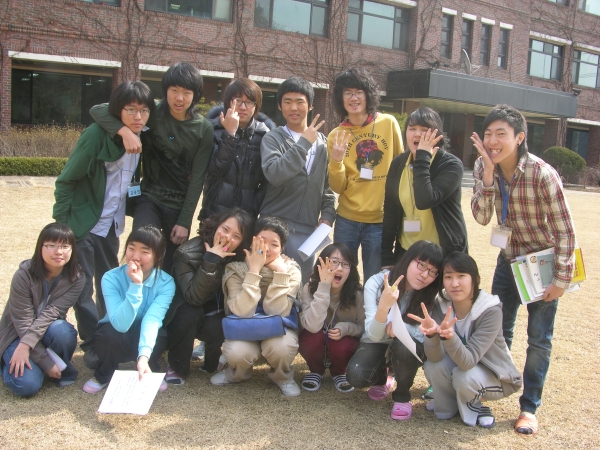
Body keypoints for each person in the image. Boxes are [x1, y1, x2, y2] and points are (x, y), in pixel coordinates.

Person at [470, 104, 577, 436]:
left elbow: (565, 231)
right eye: (488, 134)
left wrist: (561, 278)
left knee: (539, 339)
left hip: (542, 265)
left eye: (501, 134)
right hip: (508, 262)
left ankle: (529, 407)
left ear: (519, 137)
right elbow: (481, 217)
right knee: (497, 332)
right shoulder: (482, 165)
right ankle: (489, 389)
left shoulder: (542, 174)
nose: (492, 141)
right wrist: (489, 176)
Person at [53, 81, 154, 369]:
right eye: (130, 110)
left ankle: (108, 337)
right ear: (118, 111)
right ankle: (91, 344)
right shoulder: (96, 135)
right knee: (82, 286)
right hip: (84, 224)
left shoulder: (145, 132)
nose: (138, 116)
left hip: (112, 225)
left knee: (110, 283)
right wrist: (63, 225)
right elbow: (66, 180)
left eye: (144, 110)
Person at [90, 62, 214, 275]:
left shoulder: (203, 128)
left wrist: (184, 221)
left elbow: (197, 179)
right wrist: (125, 132)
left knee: (170, 267)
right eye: (174, 90)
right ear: (165, 89)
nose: (179, 98)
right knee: (141, 248)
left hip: (178, 205)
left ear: (195, 95)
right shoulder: (151, 111)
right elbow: (98, 110)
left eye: (186, 93)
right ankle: (134, 291)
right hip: (149, 197)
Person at [409, 252, 522, 428]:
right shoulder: (442, 304)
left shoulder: (490, 310)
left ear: (475, 279)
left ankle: (476, 406)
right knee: (433, 367)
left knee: (465, 377)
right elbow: (435, 358)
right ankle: (448, 406)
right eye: (448, 277)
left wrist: (450, 337)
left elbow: (468, 362)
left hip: (497, 377)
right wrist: (431, 336)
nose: (454, 284)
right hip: (462, 370)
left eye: (461, 276)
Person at [346, 240, 443, 420]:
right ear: (408, 259)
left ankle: (402, 395)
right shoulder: (377, 283)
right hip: (379, 341)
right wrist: (383, 307)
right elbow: (373, 335)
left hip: (408, 347)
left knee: (402, 347)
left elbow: (424, 336)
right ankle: (382, 378)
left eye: (432, 272)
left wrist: (401, 329)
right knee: (357, 375)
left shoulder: (433, 294)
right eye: (421, 265)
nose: (424, 275)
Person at [210, 217, 303, 397]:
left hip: (279, 329)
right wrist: (253, 271)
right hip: (244, 326)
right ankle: (235, 374)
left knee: (283, 347)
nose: (266, 248)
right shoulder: (236, 270)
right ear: (252, 241)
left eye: (274, 244)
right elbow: (241, 311)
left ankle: (282, 377)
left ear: (282, 248)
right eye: (262, 240)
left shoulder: (291, 270)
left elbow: (277, 312)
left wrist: (281, 273)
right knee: (236, 351)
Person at [328, 68, 404, 282]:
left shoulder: (388, 123)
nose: (353, 98)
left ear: (368, 95)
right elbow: (337, 187)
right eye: (347, 93)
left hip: (380, 220)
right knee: (342, 279)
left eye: (359, 92)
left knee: (375, 280)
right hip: (347, 220)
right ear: (340, 98)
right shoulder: (336, 136)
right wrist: (336, 160)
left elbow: (400, 168)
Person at [163, 208, 254, 384]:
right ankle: (177, 366)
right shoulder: (187, 253)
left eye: (236, 236)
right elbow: (193, 297)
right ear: (215, 226)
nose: (227, 238)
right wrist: (210, 261)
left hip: (214, 311)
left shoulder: (238, 257)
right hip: (184, 309)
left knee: (219, 320)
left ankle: (212, 362)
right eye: (225, 229)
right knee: (190, 313)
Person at [259, 76, 336, 283]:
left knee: (299, 289)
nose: (294, 108)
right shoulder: (273, 138)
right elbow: (275, 174)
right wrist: (303, 144)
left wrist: (327, 216)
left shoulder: (323, 144)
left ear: (310, 105)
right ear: (279, 106)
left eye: (300, 101)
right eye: (287, 101)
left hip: (307, 233)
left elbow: (327, 189)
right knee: (267, 284)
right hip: (274, 229)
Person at [82, 226, 175, 394]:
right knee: (109, 335)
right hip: (117, 330)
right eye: (131, 248)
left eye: (145, 252)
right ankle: (104, 374)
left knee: (160, 335)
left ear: (158, 256)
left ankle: (149, 368)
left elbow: (152, 320)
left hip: (145, 331)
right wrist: (135, 285)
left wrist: (143, 357)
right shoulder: (111, 277)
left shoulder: (166, 283)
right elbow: (120, 324)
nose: (135, 256)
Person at [0, 223, 84, 397]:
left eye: (64, 246)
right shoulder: (23, 275)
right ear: (40, 247)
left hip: (46, 330)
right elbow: (22, 322)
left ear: (72, 249)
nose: (58, 251)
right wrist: (43, 360)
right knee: (27, 385)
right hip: (17, 334)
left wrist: (41, 358)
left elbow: (52, 313)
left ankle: (49, 366)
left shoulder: (76, 278)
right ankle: (7, 363)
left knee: (63, 330)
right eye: (51, 245)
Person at [381, 107, 467, 269]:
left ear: (437, 134)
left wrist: (422, 157)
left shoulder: (450, 165)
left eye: (424, 130)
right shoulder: (398, 164)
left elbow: (424, 200)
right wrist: (386, 258)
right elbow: (390, 211)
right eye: (412, 129)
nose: (417, 134)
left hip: (443, 254)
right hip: (407, 251)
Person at [199, 78, 275, 220]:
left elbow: (267, 181)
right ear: (228, 102)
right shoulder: (213, 129)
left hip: (246, 218)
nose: (243, 107)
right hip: (214, 215)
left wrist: (254, 206)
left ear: (256, 105)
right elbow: (215, 170)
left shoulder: (264, 135)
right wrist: (230, 134)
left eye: (249, 102)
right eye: (238, 101)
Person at [298, 243, 364, 393]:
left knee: (344, 344)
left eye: (345, 264)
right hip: (316, 337)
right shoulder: (309, 288)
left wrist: (346, 328)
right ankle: (316, 371)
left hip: (341, 344)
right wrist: (324, 287)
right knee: (310, 337)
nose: (339, 268)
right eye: (334, 262)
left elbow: (363, 329)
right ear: (321, 265)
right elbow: (312, 326)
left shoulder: (358, 294)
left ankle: (339, 372)